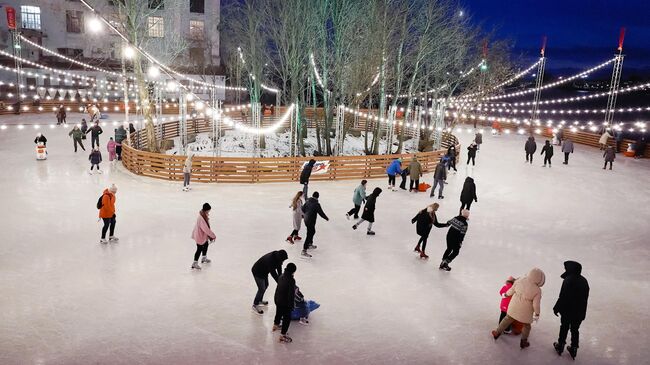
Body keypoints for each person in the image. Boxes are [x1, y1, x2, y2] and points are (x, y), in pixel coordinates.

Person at [492, 268, 546, 349]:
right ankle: (523, 341)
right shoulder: (537, 290)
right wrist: (537, 314)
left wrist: (505, 295)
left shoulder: (520, 281)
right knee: (527, 326)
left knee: (507, 319)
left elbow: (511, 290)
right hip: (526, 313)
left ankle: (497, 332)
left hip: (513, 307)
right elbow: (536, 304)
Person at [553, 261, 590, 359]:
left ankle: (560, 345)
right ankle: (574, 348)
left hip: (567, 311)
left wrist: (556, 308)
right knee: (575, 329)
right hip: (579, 312)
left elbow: (563, 296)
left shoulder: (568, 280)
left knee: (564, 327)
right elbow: (585, 299)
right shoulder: (584, 281)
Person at [251, 250, 288, 314]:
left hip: (264, 271)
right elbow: (273, 273)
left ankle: (259, 300)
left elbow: (279, 267)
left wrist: (280, 277)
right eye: (282, 260)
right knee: (261, 289)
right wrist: (279, 282)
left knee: (266, 285)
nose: (283, 261)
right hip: (257, 272)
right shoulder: (270, 260)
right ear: (280, 258)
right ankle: (255, 304)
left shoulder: (277, 257)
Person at [273, 262, 297, 343]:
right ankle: (282, 336)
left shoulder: (281, 276)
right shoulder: (291, 280)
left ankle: (275, 325)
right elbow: (291, 295)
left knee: (278, 312)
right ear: (293, 271)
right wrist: (291, 306)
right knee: (287, 318)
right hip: (284, 302)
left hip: (277, 299)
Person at [301, 192, 329, 258]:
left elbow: (302, 208)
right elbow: (321, 213)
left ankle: (309, 244)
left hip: (306, 219)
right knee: (309, 234)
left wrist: (305, 214)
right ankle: (304, 250)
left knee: (312, 231)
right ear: (317, 197)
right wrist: (326, 218)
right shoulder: (316, 204)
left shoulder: (307, 201)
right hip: (310, 220)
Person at [190, 203, 217, 270]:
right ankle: (195, 263)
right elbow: (206, 229)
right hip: (199, 236)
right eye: (208, 210)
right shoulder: (202, 218)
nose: (209, 212)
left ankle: (204, 257)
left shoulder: (203, 214)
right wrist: (213, 235)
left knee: (206, 244)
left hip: (202, 235)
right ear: (206, 210)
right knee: (199, 249)